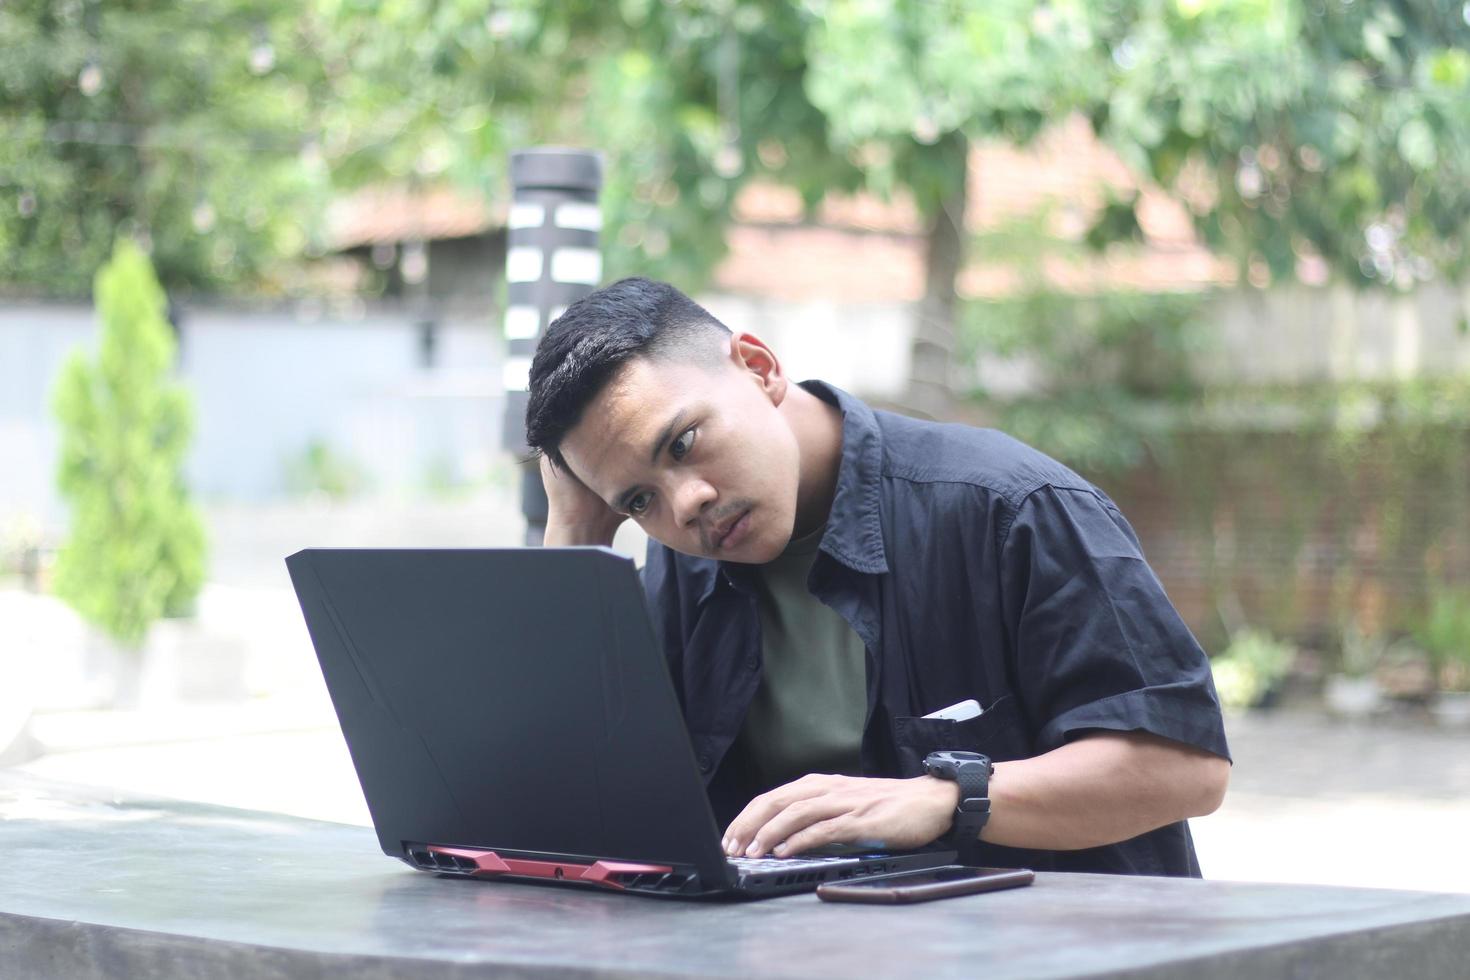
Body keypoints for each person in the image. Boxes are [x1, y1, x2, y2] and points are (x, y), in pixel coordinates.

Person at [525, 277, 1231, 876]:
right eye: (639, 500)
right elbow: (579, 809)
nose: (687, 505)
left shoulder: (1007, 508)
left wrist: (944, 797)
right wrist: (577, 534)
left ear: (759, 366)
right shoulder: (685, 564)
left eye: (682, 443)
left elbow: (1185, 766)